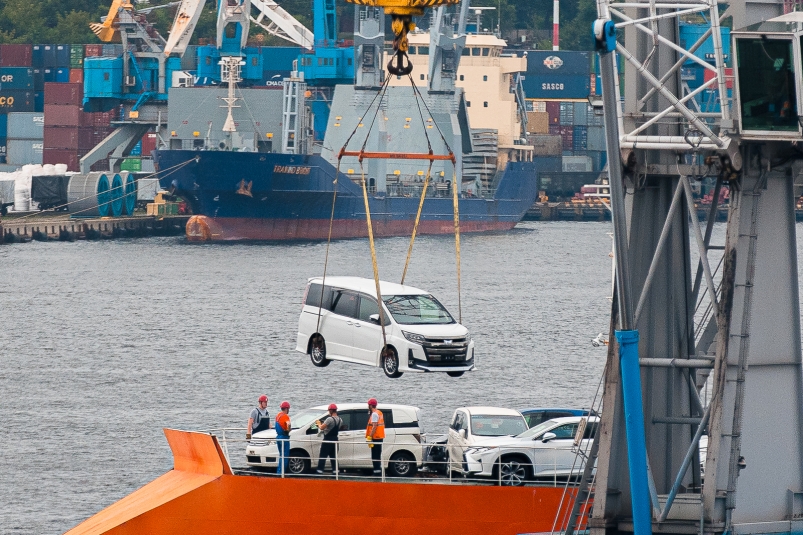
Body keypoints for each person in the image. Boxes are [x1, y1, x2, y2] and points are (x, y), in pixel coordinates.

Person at [315, 403, 342, 474]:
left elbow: (321, 427)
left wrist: (318, 423)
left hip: (327, 440)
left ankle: (319, 470)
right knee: (334, 457)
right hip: (335, 440)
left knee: (323, 455)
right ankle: (336, 471)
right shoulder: (340, 420)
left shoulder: (329, 419)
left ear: (331, 411)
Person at [365, 397, 385, 475]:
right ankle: (378, 471)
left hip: (375, 437)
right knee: (377, 455)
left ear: (370, 405)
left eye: (368, 405)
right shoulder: (379, 412)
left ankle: (376, 472)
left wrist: (370, 436)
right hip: (379, 437)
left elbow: (374, 426)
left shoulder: (374, 414)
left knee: (375, 455)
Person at [275, 401, 291, 475]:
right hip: (284, 437)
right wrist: (288, 429)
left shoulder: (278, 415)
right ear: (286, 408)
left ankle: (279, 472)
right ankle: (282, 473)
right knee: (285, 456)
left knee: (281, 455)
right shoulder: (285, 416)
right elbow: (288, 424)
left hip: (278, 437)